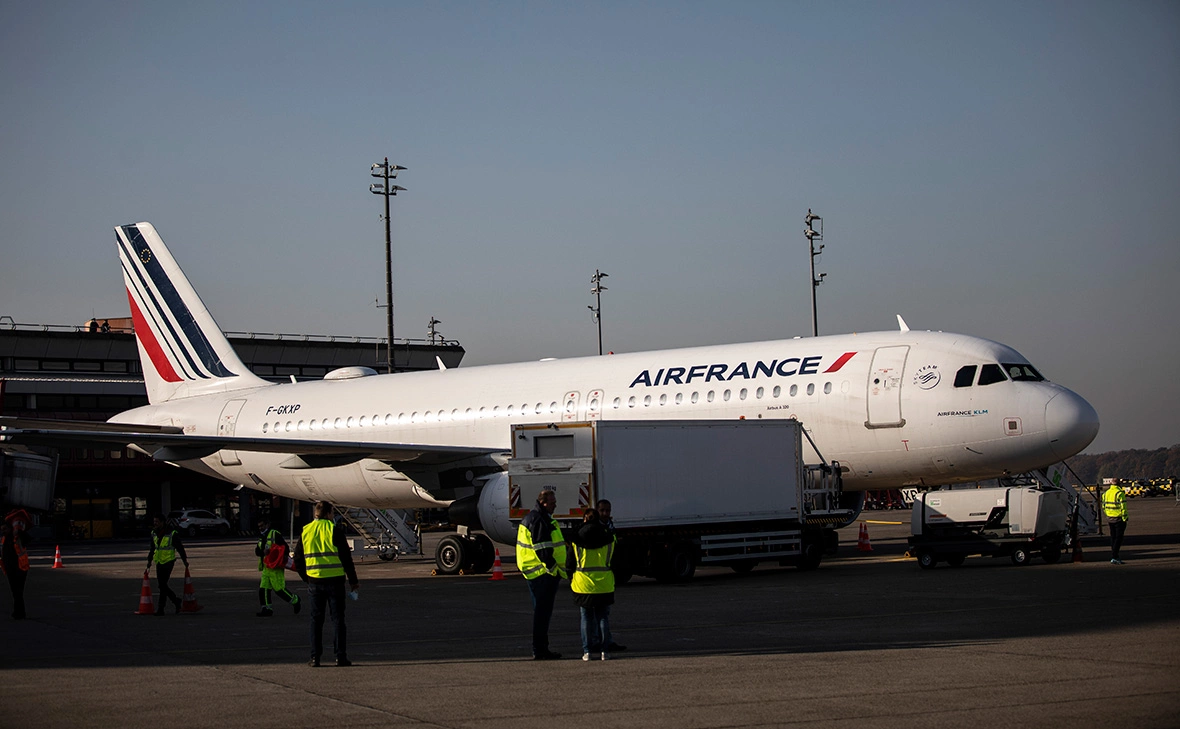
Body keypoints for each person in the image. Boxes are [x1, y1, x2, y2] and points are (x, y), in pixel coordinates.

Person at [293, 501, 358, 667]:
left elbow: (298, 559)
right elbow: (346, 559)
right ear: (329, 514)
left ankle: (315, 658)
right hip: (335, 582)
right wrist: (353, 581)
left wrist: (306, 577)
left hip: (314, 581)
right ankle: (340, 656)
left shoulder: (306, 531)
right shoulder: (334, 530)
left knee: (316, 620)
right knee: (338, 620)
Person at [515, 486, 567, 660]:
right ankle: (540, 649)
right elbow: (543, 552)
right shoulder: (539, 520)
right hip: (542, 574)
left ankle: (540, 648)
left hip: (536, 573)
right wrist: (555, 572)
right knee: (542, 614)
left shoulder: (533, 518)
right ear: (543, 503)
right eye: (552, 503)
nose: (555, 505)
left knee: (541, 613)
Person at [570, 509, 616, 661]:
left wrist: (571, 577)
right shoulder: (609, 538)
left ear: (584, 519)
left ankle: (587, 651)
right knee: (603, 617)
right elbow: (616, 560)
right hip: (604, 583)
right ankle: (605, 651)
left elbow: (570, 563)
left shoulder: (576, 538)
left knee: (586, 618)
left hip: (583, 584)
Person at [596, 499, 627, 653]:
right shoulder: (597, 528)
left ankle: (605, 640)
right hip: (595, 577)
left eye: (608, 511)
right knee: (598, 614)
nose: (606, 514)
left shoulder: (609, 526)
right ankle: (600, 642)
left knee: (604, 613)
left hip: (607, 575)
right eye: (602, 511)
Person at [255, 516, 300, 617]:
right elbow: (257, 551)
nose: (260, 528)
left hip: (276, 568)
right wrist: (262, 552)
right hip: (267, 568)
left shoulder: (275, 534)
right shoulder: (262, 536)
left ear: (267, 525)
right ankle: (267, 609)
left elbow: (285, 548)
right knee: (263, 589)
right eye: (259, 526)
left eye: (262, 526)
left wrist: (273, 553)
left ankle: (295, 600)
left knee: (279, 590)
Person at [145, 514, 188, 615]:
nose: (154, 523)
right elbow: (152, 548)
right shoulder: (154, 533)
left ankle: (162, 608)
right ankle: (175, 601)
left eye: (156, 521)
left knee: (162, 584)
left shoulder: (172, 533)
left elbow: (180, 547)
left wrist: (184, 560)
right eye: (154, 521)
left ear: (162, 522)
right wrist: (149, 561)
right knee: (162, 585)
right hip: (159, 561)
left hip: (169, 561)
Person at [2, 510, 32, 620]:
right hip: (10, 568)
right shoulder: (5, 539)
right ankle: (18, 612)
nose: (3, 531)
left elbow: (27, 539)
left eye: (4, 529)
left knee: (18, 591)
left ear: (10, 528)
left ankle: (19, 612)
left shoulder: (18, 537)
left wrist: (18, 532)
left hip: (20, 567)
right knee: (16, 591)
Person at [1103, 479, 1129, 564]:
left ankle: (1114, 555)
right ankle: (1115, 555)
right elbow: (1123, 506)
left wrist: (1107, 514)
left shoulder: (1106, 493)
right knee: (1119, 538)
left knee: (1113, 537)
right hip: (1118, 518)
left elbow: (1104, 505)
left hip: (1110, 517)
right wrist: (1125, 517)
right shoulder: (1120, 493)